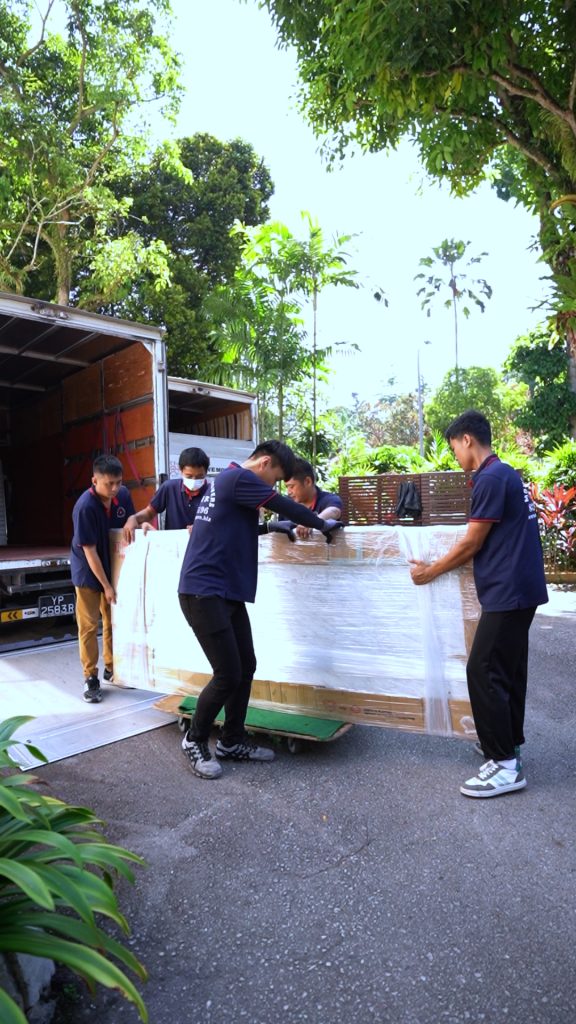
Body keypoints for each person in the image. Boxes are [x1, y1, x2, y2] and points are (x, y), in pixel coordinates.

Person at [177, 440, 343, 779]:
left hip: (223, 593)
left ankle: (231, 740)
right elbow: (284, 504)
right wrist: (319, 523)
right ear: (264, 464)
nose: (275, 487)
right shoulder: (242, 478)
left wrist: (270, 527)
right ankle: (194, 740)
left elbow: (230, 527)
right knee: (227, 674)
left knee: (246, 665)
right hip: (203, 593)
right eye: (276, 478)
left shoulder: (228, 483)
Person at [409, 410, 548, 799]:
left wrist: (430, 571)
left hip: (508, 590)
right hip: (521, 588)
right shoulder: (506, 473)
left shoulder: (488, 477)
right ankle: (508, 745)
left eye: (454, 447)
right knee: (506, 671)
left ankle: (504, 765)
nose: (455, 456)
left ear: (467, 439)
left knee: (482, 670)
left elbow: (473, 542)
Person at [71, 454, 135, 703]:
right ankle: (91, 677)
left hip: (112, 566)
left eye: (119, 482)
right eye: (109, 484)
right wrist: (106, 586)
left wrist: (134, 519)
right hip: (88, 571)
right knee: (88, 626)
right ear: (94, 481)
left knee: (112, 622)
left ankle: (112, 668)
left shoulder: (123, 496)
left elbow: (131, 522)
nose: (115, 488)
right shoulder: (85, 507)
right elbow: (89, 551)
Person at [123, 446, 210, 543]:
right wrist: (134, 518)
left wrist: (203, 528)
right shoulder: (169, 488)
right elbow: (149, 512)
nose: (194, 480)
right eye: (189, 476)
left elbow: (222, 522)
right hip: (173, 546)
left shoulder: (213, 492)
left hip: (202, 546)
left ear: (206, 472)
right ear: (180, 471)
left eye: (199, 476)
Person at [284, 457, 343, 539]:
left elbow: (334, 511)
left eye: (291, 486)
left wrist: (312, 522)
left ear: (307, 482)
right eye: (287, 487)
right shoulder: (285, 505)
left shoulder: (328, 499)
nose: (289, 492)